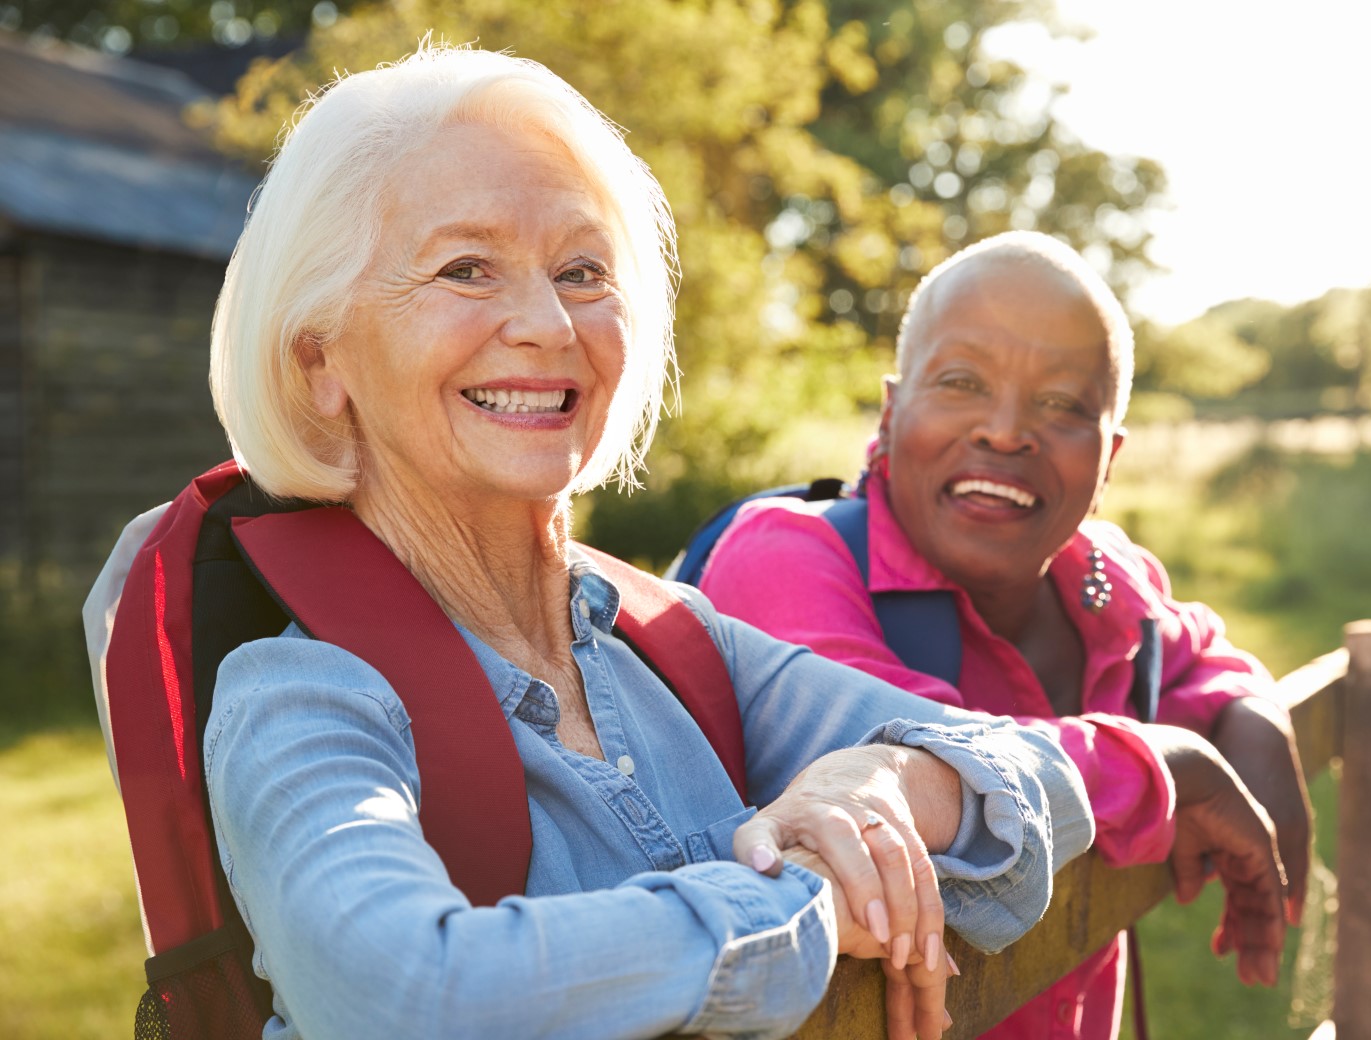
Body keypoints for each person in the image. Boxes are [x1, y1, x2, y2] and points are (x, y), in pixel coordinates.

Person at [82, 50, 1096, 1040]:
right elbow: (411, 994)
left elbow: (1042, 778)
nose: (547, 322)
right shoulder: (298, 697)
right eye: (466, 268)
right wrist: (810, 901)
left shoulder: (675, 641)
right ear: (319, 363)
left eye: (581, 270)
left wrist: (873, 786)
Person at [700, 231, 1312, 1040]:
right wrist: (1172, 764)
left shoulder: (1102, 581)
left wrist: (1255, 720)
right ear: (892, 409)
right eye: (960, 382)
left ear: (1110, 458)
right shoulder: (786, 559)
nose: (1006, 430)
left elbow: (1197, 655)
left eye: (1062, 404)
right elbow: (934, 775)